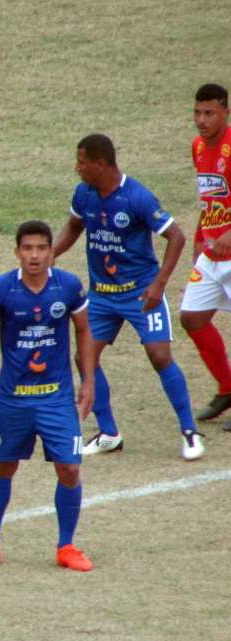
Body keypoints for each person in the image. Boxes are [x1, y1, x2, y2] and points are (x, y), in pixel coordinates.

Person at [52, 134, 204, 460]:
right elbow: (74, 227)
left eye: (82, 162)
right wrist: (51, 253)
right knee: (84, 358)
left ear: (101, 163)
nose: (77, 168)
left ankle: (189, 431)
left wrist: (160, 284)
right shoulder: (84, 194)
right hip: (103, 296)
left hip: (140, 293)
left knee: (160, 356)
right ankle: (109, 433)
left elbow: (176, 236)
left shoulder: (137, 197)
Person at [0, 221, 95, 571]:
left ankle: (66, 547)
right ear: (17, 252)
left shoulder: (68, 286)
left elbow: (83, 331)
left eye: (41, 248)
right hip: (14, 398)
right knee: (4, 466)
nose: (34, 255)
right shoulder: (2, 288)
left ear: (51, 251)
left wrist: (89, 381)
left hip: (56, 398)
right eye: (27, 248)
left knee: (69, 467)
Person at [180, 83, 231, 428]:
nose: (201, 120)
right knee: (191, 317)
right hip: (211, 254)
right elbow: (208, 197)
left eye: (209, 113)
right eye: (197, 112)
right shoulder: (198, 148)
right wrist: (201, 236)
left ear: (225, 111)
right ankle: (227, 387)